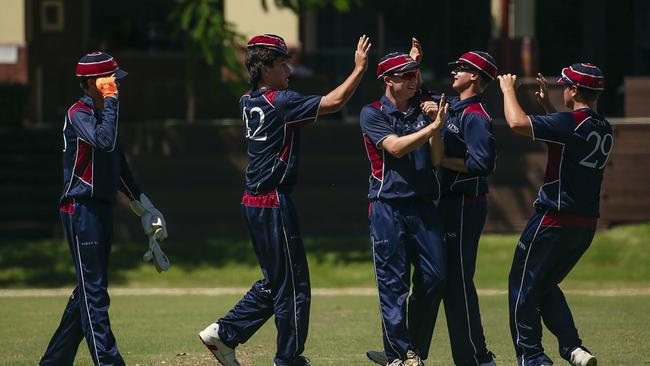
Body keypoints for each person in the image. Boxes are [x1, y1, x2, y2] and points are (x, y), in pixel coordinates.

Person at [198, 34, 371, 366]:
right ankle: (288, 359)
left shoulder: (247, 100)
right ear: (264, 69)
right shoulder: (281, 101)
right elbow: (334, 103)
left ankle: (225, 333)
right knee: (294, 288)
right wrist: (359, 69)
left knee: (278, 282)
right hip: (273, 201)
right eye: (282, 64)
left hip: (253, 201)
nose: (289, 70)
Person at [40, 51, 168, 366]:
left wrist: (145, 207)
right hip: (80, 208)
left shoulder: (103, 111)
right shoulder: (79, 112)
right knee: (94, 292)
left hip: (101, 208)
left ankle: (54, 362)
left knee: (89, 289)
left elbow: (118, 165)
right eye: (111, 80)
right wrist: (111, 102)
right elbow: (105, 140)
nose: (116, 85)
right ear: (96, 83)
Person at [497, 63, 610, 366]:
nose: (563, 91)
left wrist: (508, 90)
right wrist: (547, 106)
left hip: (553, 220)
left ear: (573, 91)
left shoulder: (569, 123)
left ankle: (532, 358)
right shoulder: (602, 126)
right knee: (545, 285)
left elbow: (517, 123)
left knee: (522, 284)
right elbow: (565, 141)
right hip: (585, 225)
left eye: (564, 87)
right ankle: (573, 348)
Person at [360, 46, 449, 366]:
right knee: (393, 285)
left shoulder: (422, 110)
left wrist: (434, 126)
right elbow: (395, 148)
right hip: (387, 207)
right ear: (387, 81)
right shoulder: (371, 112)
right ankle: (402, 354)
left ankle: (413, 350)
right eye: (405, 76)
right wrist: (432, 128)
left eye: (416, 75)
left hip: (424, 206)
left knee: (436, 277)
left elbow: (437, 159)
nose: (414, 81)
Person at [439, 51, 498, 366]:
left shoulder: (474, 113)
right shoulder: (455, 106)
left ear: (474, 76)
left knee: (458, 282)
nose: (454, 73)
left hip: (465, 203)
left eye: (460, 68)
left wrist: (442, 161)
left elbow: (482, 164)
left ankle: (477, 357)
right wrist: (413, 61)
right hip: (450, 203)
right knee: (448, 282)